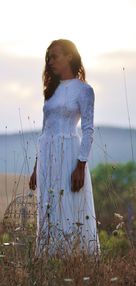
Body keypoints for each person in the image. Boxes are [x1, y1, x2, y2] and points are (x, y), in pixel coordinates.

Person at [29, 39, 101, 257]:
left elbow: (88, 130)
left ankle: (75, 259)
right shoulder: (51, 91)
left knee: (69, 204)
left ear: (69, 56)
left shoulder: (84, 90)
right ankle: (50, 259)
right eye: (48, 57)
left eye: (55, 56)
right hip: (47, 154)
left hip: (69, 153)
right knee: (48, 206)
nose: (50, 61)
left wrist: (80, 165)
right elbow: (45, 129)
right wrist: (35, 165)